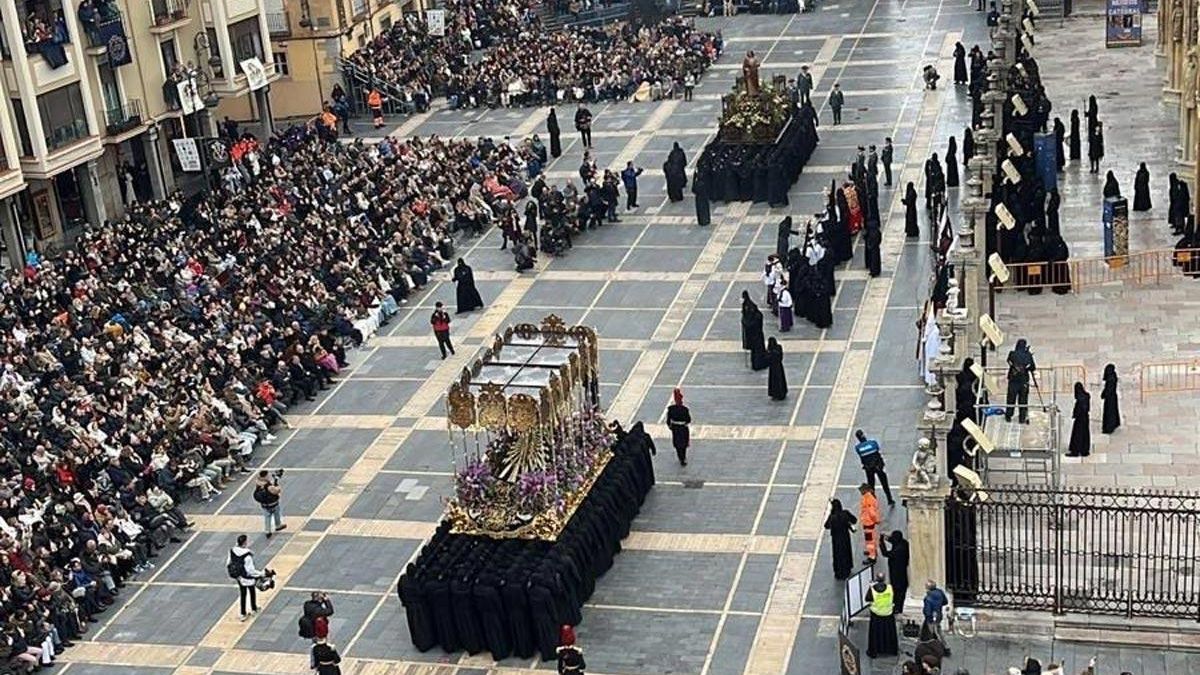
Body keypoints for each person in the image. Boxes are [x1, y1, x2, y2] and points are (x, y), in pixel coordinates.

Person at [228, 534, 265, 622]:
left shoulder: (232, 551)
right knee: (252, 591)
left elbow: (229, 563)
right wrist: (261, 574)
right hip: (247, 577)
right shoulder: (247, 556)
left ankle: (242, 613)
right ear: (244, 543)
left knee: (243, 594)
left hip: (239, 577)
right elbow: (251, 570)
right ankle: (254, 608)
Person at [853, 430, 895, 506]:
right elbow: (877, 450)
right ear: (864, 435)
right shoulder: (873, 443)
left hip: (869, 468)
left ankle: (873, 500)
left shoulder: (858, 448)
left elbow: (861, 456)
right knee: (884, 483)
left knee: (871, 484)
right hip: (878, 466)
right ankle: (889, 499)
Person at [864, 572, 899, 659]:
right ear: (884, 579)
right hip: (888, 614)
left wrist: (871, 586)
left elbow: (867, 599)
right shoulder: (890, 588)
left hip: (876, 615)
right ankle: (891, 650)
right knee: (889, 633)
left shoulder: (872, 589)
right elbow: (894, 598)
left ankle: (874, 651)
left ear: (876, 579)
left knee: (876, 635)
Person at [1004, 338, 1036, 423]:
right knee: (1023, 400)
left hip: (1013, 380)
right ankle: (1022, 418)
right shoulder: (1028, 355)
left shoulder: (1012, 354)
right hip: (1023, 381)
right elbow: (1033, 367)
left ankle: (1008, 415)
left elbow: (1009, 361)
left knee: (1011, 399)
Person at [879, 531, 910, 614]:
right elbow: (893, 540)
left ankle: (897, 608)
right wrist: (886, 537)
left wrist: (881, 542)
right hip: (901, 569)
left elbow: (885, 553)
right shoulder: (904, 543)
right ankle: (897, 606)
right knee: (899, 589)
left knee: (897, 590)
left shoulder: (898, 550)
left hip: (897, 572)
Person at [253, 470, 286, 537]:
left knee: (267, 517)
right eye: (268, 475)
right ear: (265, 476)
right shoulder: (268, 486)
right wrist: (277, 485)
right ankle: (278, 525)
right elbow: (276, 491)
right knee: (276, 514)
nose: (269, 476)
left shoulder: (258, 483)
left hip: (264, 504)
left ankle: (267, 530)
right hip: (273, 503)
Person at [742, 291, 769, 371]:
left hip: (756, 336)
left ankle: (758, 364)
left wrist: (745, 322)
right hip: (756, 336)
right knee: (755, 350)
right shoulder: (757, 315)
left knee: (757, 350)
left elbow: (751, 324)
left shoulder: (756, 317)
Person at [666, 387, 692, 466]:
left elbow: (668, 420)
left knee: (677, 444)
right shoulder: (685, 409)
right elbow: (688, 420)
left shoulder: (671, 409)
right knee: (683, 443)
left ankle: (680, 457)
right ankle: (683, 458)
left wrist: (671, 426)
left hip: (675, 428)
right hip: (683, 428)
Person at [1067, 381, 1091, 458]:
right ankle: (1084, 450)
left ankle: (1075, 450)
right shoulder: (1087, 396)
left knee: (1077, 435)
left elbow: (1079, 409)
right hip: (1085, 418)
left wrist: (1075, 415)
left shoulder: (1079, 399)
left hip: (1080, 419)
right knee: (1084, 434)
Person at [859, 483, 881, 563]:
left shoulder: (868, 499)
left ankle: (872, 556)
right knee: (871, 538)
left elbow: (872, 513)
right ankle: (873, 551)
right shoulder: (869, 497)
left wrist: (875, 520)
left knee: (869, 540)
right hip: (869, 521)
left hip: (868, 522)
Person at [1101, 363, 1121, 434]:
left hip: (1109, 398)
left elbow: (1108, 389)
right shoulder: (1113, 375)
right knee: (1113, 411)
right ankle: (1115, 423)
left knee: (1109, 413)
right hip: (1113, 397)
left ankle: (1109, 427)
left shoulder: (1110, 379)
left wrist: (1104, 394)